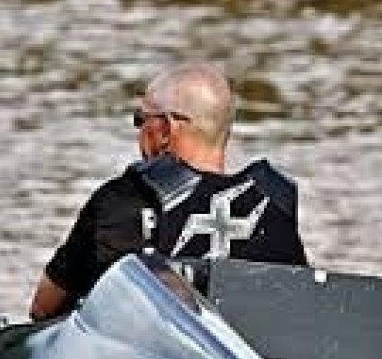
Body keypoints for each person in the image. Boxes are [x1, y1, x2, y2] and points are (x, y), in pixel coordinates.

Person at [28, 62, 308, 319]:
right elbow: (302, 309)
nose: (139, 130)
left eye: (141, 119)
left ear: (163, 129)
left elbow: (43, 308)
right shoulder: (276, 207)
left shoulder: (124, 199)